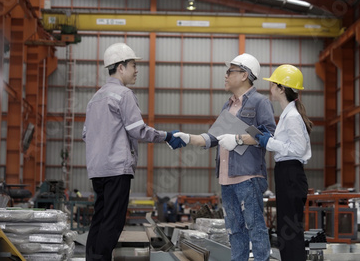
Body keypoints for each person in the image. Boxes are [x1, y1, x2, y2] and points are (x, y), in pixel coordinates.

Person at [82, 43, 185, 261]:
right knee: (113, 221)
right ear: (120, 67)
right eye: (133, 65)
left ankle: (91, 258)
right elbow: (138, 130)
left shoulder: (95, 98)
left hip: (97, 170)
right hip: (117, 169)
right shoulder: (124, 94)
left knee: (100, 218)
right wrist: (166, 136)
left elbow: (86, 134)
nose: (136, 70)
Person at [173, 53, 276, 261]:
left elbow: (268, 136)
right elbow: (213, 137)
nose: (226, 75)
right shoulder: (228, 106)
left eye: (230, 71)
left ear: (245, 75)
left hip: (248, 177)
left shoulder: (259, 102)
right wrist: (189, 138)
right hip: (226, 179)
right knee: (234, 230)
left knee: (255, 228)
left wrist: (238, 138)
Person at [256, 64, 312, 261]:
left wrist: (269, 142)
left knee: (290, 231)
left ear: (281, 88)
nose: (270, 88)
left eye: (273, 85)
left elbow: (297, 150)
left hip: (291, 173)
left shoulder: (293, 117)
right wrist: (270, 138)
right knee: (285, 230)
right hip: (286, 173)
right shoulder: (288, 115)